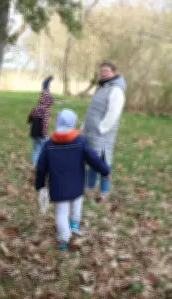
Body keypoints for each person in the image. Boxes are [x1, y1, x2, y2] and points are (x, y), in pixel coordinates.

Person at [35, 109, 110, 251]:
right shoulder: (80, 142)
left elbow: (41, 167)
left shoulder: (49, 144)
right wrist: (105, 171)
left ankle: (64, 239)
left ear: (58, 123)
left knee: (61, 213)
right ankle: (74, 224)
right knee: (77, 204)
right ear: (73, 124)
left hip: (58, 187)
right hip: (76, 184)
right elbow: (93, 158)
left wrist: (40, 185)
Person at [82, 61, 126, 202]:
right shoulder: (101, 88)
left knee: (104, 162)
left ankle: (104, 192)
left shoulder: (116, 90)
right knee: (91, 161)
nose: (103, 74)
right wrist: (84, 127)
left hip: (102, 134)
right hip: (91, 132)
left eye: (106, 71)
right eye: (102, 71)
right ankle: (89, 189)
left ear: (114, 73)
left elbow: (113, 113)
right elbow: (92, 111)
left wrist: (101, 128)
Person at [27, 76, 54, 166]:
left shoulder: (37, 108)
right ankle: (44, 164)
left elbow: (30, 117)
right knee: (46, 148)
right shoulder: (46, 111)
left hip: (34, 133)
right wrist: (45, 135)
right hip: (41, 134)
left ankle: (34, 164)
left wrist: (30, 120)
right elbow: (45, 123)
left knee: (36, 149)